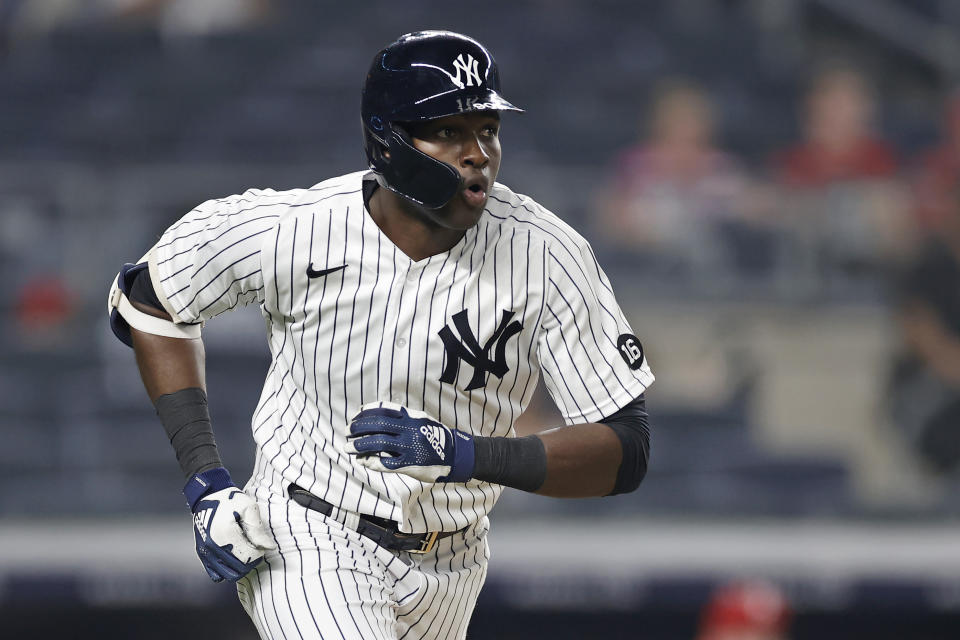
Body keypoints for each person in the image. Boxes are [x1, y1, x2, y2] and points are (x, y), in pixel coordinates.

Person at [107, 31, 654, 639]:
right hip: (311, 532)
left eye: (487, 129)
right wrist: (206, 481)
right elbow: (150, 298)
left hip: (455, 558)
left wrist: (466, 454)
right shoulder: (294, 229)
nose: (478, 153)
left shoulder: (547, 255)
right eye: (448, 131)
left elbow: (626, 448)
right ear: (387, 141)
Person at [596, 78, 774, 278]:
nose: (686, 127)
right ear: (659, 123)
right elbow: (610, 220)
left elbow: (756, 208)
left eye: (693, 119)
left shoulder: (722, 167)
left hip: (714, 277)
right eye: (678, 119)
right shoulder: (634, 164)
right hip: (645, 274)